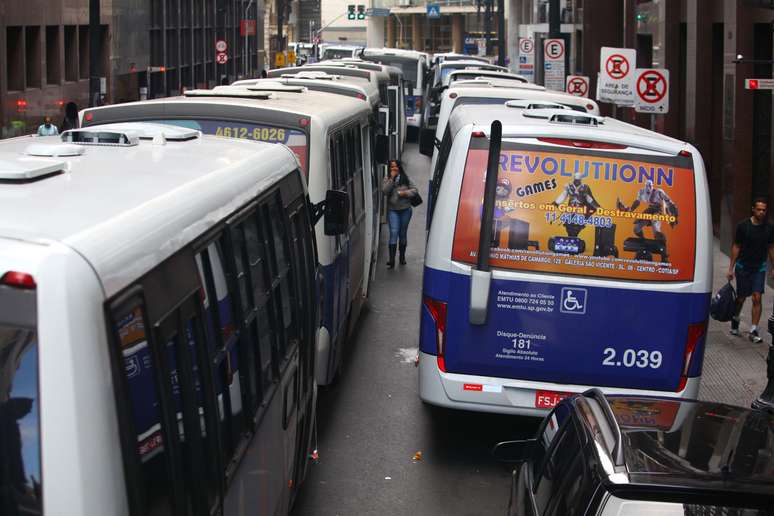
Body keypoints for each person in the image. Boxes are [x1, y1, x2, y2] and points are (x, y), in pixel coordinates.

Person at [727, 199, 774, 344]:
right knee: (741, 298)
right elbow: (736, 246)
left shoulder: (769, 228)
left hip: (759, 268)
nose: (761, 212)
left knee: (757, 297)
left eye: (764, 210)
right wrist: (731, 268)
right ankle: (735, 319)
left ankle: (753, 330)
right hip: (743, 267)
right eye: (759, 209)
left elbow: (771, 247)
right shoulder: (743, 226)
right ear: (753, 209)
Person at [618, 179, 678, 260]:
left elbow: (669, 202)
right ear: (645, 186)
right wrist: (630, 209)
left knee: (657, 232)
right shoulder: (641, 192)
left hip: (658, 211)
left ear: (652, 186)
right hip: (649, 211)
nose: (648, 187)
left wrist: (673, 215)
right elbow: (637, 202)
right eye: (647, 185)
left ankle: (664, 255)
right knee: (636, 228)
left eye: (650, 185)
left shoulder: (659, 192)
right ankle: (643, 241)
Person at [382, 160, 418, 268]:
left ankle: (402, 257)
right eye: (392, 167)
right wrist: (392, 180)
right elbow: (384, 191)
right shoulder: (387, 179)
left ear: (399, 167)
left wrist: (404, 193)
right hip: (393, 210)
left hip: (405, 210)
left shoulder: (405, 178)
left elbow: (415, 190)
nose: (394, 169)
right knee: (394, 232)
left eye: (395, 167)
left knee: (402, 234)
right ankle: (391, 260)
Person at [553, 172, 601, 237]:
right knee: (569, 227)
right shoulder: (569, 186)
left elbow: (589, 198)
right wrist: (556, 202)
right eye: (575, 180)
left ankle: (575, 238)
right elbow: (564, 195)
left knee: (576, 228)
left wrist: (596, 207)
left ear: (580, 180)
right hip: (570, 210)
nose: (576, 182)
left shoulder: (585, 187)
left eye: (578, 180)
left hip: (580, 211)